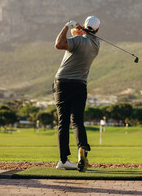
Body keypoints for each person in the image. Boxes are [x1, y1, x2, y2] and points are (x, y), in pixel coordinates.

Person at [53, 16, 101, 172]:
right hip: (80, 85)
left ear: (85, 27)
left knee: (63, 123)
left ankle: (63, 160)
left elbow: (59, 44)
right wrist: (80, 28)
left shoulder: (78, 41)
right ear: (98, 30)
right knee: (77, 121)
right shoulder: (96, 44)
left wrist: (66, 26)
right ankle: (82, 148)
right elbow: (80, 35)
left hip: (63, 84)